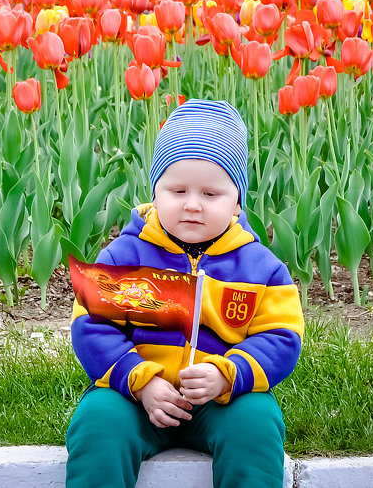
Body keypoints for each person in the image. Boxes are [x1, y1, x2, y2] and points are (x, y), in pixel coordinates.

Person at [66, 99, 304, 488]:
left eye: (211, 195)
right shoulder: (125, 257)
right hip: (137, 397)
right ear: (155, 190)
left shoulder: (261, 269)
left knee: (255, 423)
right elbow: (91, 325)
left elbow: (281, 336)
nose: (192, 205)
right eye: (177, 190)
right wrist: (140, 381)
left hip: (221, 397)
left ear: (237, 200)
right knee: (99, 421)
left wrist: (228, 374)